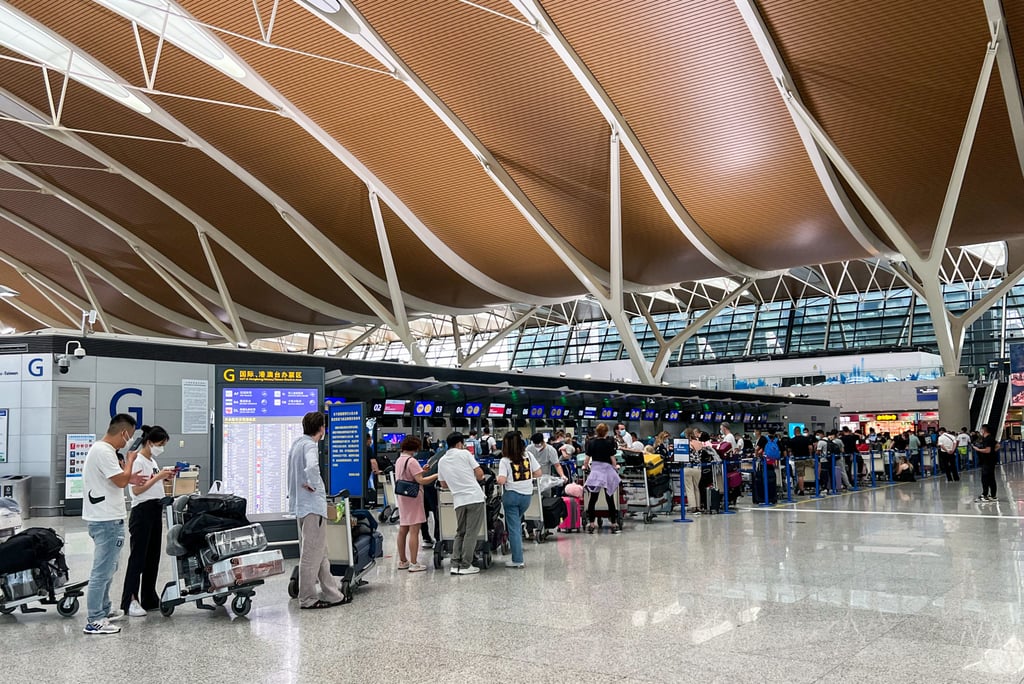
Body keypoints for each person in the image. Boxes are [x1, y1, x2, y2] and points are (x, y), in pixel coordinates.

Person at [82, 414, 142, 635]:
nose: (129, 441)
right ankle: (95, 618)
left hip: (106, 517)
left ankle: (104, 609)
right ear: (124, 433)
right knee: (102, 570)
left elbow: (119, 479)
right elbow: (120, 481)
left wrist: (129, 476)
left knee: (110, 567)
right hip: (106, 520)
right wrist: (131, 461)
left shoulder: (101, 451)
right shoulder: (104, 451)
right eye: (130, 436)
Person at [287, 411, 345, 610]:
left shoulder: (296, 444)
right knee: (311, 555)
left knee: (320, 552)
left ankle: (333, 594)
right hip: (312, 507)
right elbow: (312, 467)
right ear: (321, 428)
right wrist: (315, 486)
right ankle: (308, 598)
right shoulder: (310, 446)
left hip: (301, 506)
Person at [120, 425, 173, 618]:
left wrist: (162, 478)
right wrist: (158, 476)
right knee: (138, 558)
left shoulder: (152, 460)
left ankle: (149, 597)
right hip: (141, 512)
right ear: (149, 442)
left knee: (153, 558)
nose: (162, 448)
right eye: (160, 444)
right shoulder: (138, 460)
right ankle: (130, 600)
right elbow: (136, 490)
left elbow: (150, 483)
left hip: (155, 510)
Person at [437, 432, 486, 575]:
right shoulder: (465, 454)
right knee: (471, 533)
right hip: (474, 498)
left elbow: (443, 484)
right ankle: (466, 565)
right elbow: (480, 474)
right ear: (459, 443)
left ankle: (455, 563)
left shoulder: (442, 460)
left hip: (458, 500)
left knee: (460, 532)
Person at [394, 436, 438, 573]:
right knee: (414, 530)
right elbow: (421, 481)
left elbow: (409, 475)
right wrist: (436, 475)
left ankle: (403, 561)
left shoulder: (400, 459)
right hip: (413, 498)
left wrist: (422, 471)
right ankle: (414, 563)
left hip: (403, 497)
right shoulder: (412, 460)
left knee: (403, 529)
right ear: (415, 447)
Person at [496, 433, 540, 569]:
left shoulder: (504, 460)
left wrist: (498, 478)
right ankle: (515, 546)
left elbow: (502, 480)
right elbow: (538, 473)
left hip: (512, 496)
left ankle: (517, 559)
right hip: (526, 497)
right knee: (516, 523)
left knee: (514, 528)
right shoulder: (528, 456)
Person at [583, 423, 621, 533]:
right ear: (606, 432)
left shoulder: (591, 442)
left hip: (595, 471)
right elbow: (612, 458)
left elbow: (587, 458)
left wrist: (585, 466)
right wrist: (615, 466)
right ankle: (613, 523)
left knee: (593, 499)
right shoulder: (609, 443)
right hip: (607, 471)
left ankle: (591, 523)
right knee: (609, 498)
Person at [974, 424, 999, 502]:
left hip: (987, 461)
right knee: (991, 478)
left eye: (981, 429)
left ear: (984, 430)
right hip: (991, 461)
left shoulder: (987, 439)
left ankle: (985, 495)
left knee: (985, 478)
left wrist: (978, 449)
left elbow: (987, 450)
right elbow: (998, 445)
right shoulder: (991, 438)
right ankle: (993, 495)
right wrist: (993, 452)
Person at [684, 428, 705, 513]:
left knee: (689, 488)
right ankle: (698, 506)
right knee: (696, 487)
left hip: (688, 467)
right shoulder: (699, 443)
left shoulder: (686, 444)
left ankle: (692, 506)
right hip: (698, 468)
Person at [788, 427, 811, 495]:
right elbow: (810, 448)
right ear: (800, 431)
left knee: (800, 475)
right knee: (814, 468)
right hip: (807, 459)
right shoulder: (806, 439)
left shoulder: (792, 440)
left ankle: (801, 490)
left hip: (798, 459)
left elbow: (789, 450)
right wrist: (809, 455)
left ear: (795, 432)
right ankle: (818, 485)